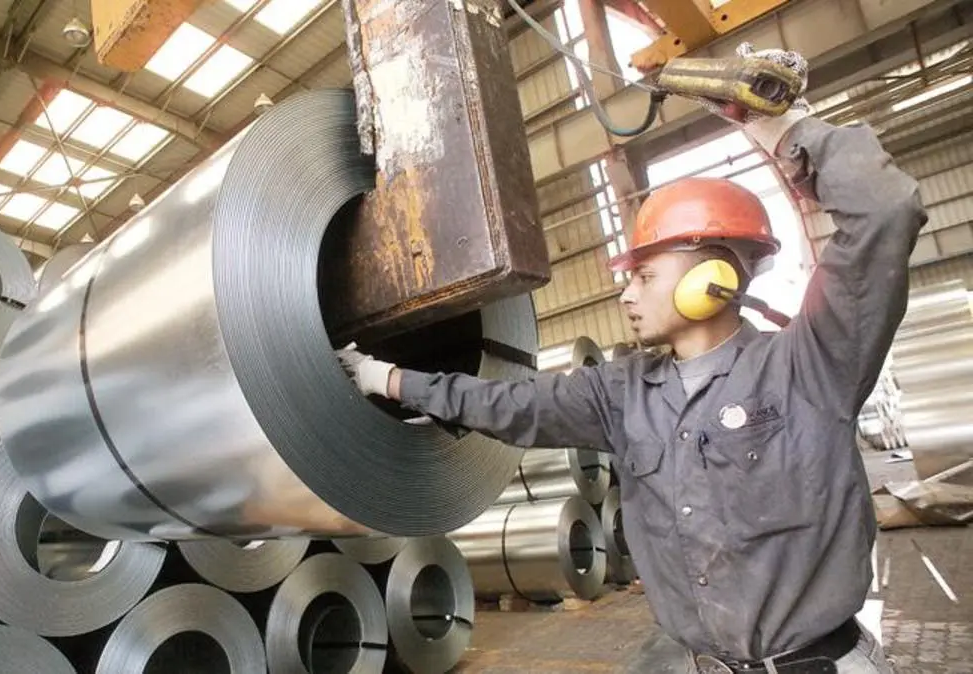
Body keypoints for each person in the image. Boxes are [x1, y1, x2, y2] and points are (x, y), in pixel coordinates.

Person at [337, 45, 925, 674]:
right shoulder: (622, 393)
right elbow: (511, 404)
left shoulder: (812, 365)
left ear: (712, 277)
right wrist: (387, 379)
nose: (625, 294)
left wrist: (781, 128)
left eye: (644, 275)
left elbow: (886, 210)